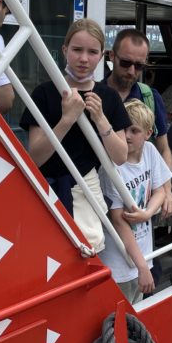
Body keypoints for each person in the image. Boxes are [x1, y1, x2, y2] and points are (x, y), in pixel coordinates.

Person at [20, 18, 130, 252]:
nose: (83, 58)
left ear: (101, 56)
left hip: (86, 191)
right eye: (77, 50)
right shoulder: (44, 93)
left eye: (92, 52)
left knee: (85, 258)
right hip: (46, 190)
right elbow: (35, 157)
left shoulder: (108, 97)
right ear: (65, 50)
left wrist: (100, 119)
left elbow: (121, 156)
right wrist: (67, 119)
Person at [98, 99, 172, 304]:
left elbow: (160, 190)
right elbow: (118, 220)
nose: (127, 136)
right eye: (123, 129)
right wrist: (142, 266)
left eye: (134, 130)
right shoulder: (111, 167)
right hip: (118, 261)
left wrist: (147, 213)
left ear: (148, 134)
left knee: (135, 315)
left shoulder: (149, 151)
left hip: (142, 253)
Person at [104, 29, 172, 213]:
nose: (131, 71)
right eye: (125, 63)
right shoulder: (96, 95)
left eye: (139, 66)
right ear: (112, 56)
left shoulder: (149, 96)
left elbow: (163, 147)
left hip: (138, 197)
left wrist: (167, 191)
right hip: (102, 197)